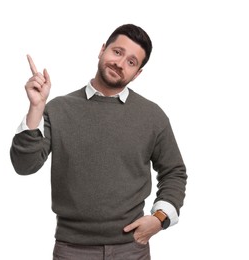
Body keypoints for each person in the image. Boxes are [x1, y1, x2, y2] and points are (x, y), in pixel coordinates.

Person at [10, 24, 187, 260]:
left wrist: (160, 218)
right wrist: (36, 108)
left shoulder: (152, 116)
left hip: (132, 248)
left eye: (132, 62)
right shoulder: (59, 109)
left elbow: (174, 171)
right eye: (117, 52)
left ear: (138, 74)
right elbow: (25, 165)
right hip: (72, 249)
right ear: (102, 49)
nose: (120, 63)